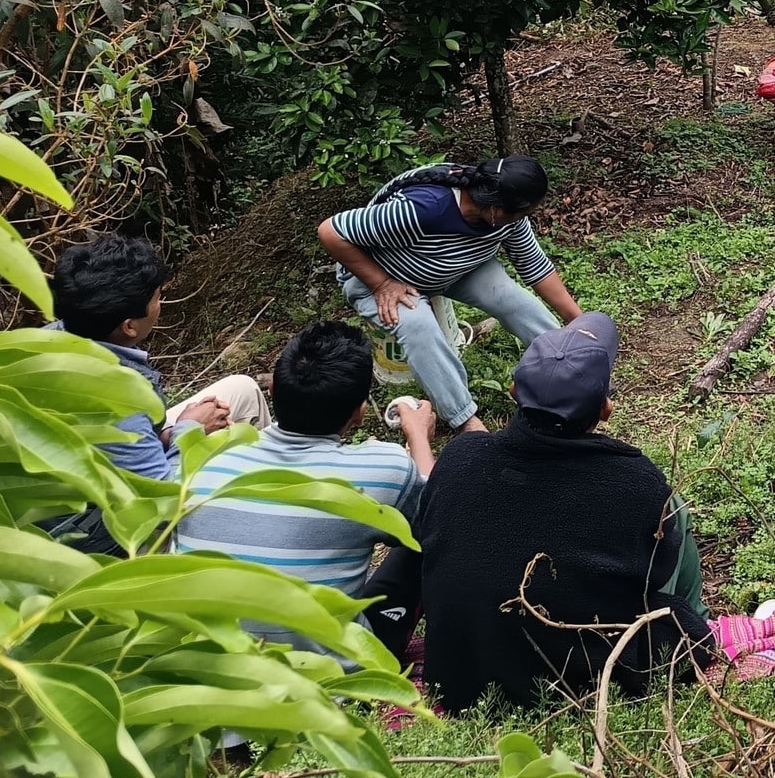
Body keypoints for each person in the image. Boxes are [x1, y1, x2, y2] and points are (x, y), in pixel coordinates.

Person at [412, 312, 710, 712]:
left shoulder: (460, 457)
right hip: (581, 684)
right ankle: (706, 620)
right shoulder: (637, 482)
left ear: (515, 390)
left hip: (461, 685)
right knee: (674, 539)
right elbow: (653, 577)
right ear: (605, 410)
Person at [176, 322, 433, 649]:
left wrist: (186, 431)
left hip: (210, 663)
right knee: (423, 546)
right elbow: (440, 514)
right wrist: (418, 437)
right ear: (360, 411)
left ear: (272, 392)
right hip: (325, 674)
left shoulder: (204, 457)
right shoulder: (384, 468)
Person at [319, 156, 582, 435]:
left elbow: (534, 264)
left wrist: (579, 321)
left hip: (459, 266)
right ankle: (465, 419)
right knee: (418, 325)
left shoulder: (506, 208)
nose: (526, 218)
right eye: (523, 212)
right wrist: (381, 283)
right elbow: (331, 232)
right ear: (495, 211)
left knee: (509, 297)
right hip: (385, 276)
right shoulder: (423, 208)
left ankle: (575, 367)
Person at [48, 234, 269, 484]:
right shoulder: (118, 398)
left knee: (243, 390)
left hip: (96, 471)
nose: (159, 304)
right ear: (129, 326)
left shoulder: (53, 335)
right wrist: (189, 430)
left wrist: (163, 437)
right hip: (105, 515)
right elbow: (161, 502)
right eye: (157, 298)